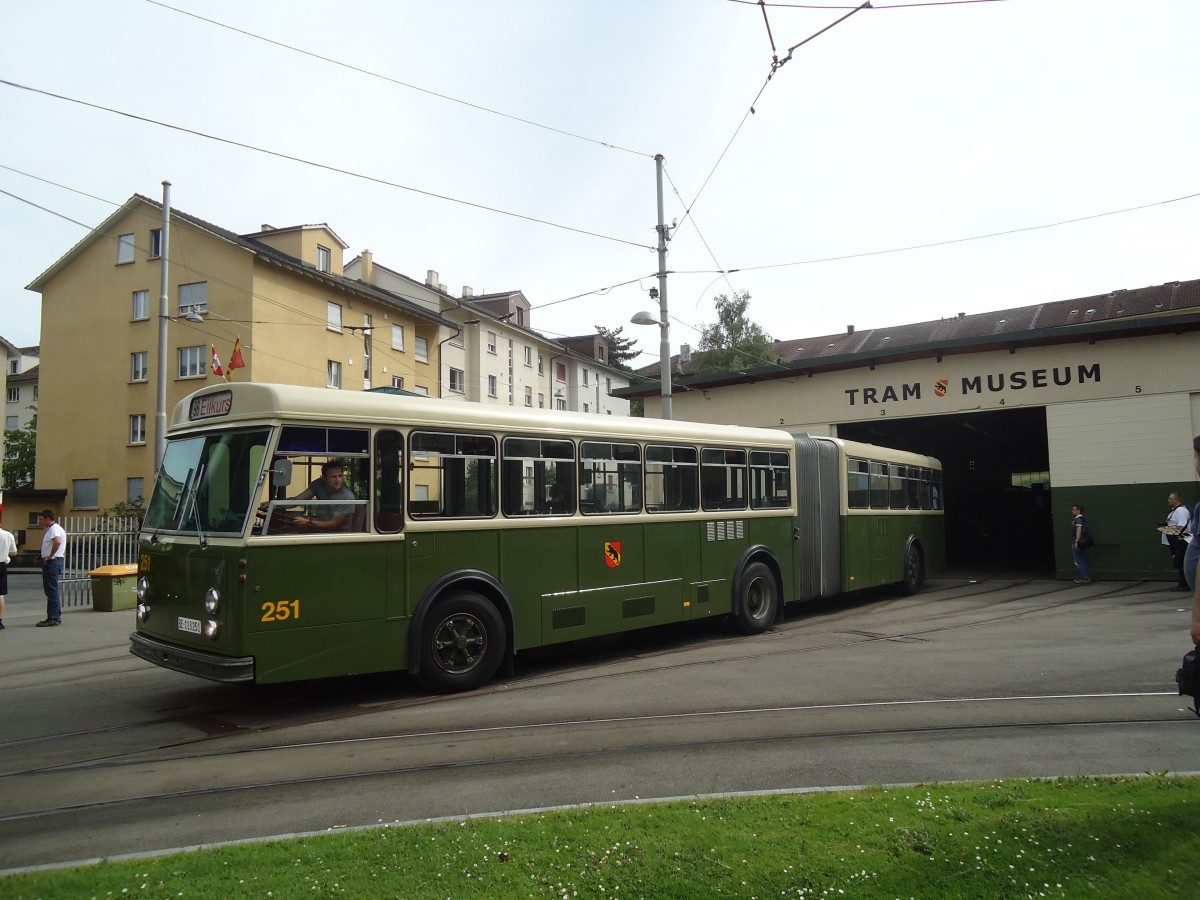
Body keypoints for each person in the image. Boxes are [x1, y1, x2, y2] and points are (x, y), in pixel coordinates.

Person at [290, 462, 355, 531]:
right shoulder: (319, 484)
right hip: (319, 531)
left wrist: (308, 522)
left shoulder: (347, 497)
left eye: (340, 476)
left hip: (339, 537)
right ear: (324, 478)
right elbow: (296, 500)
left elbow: (333, 524)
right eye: (333, 477)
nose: (337, 480)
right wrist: (279, 504)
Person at [37, 509, 66, 627]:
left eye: (41, 519)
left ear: (48, 519)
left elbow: (57, 542)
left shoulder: (54, 529)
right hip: (55, 561)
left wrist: (50, 556)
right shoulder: (54, 529)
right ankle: (54, 616)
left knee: (51, 590)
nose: (39, 521)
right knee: (52, 590)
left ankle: (53, 618)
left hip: (52, 562)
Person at [1162, 491, 1191, 591]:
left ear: (1176, 499)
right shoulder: (1175, 511)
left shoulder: (1181, 511)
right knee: (1178, 562)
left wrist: (1167, 530)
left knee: (1179, 562)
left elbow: (1181, 526)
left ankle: (1185, 585)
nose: (1168, 500)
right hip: (1175, 540)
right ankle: (1183, 584)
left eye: (1170, 498)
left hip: (1181, 540)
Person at [0, 521, 16, 630]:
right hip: (1, 565)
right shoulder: (8, 535)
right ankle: (0, 620)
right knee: (0, 594)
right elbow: (14, 552)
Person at [1071, 504, 1090, 584]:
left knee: (1078, 560)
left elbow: (1079, 531)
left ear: (1078, 510)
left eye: (1074, 509)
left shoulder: (1079, 519)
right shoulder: (1080, 519)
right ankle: (1085, 577)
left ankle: (1085, 578)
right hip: (1082, 541)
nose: (1072, 511)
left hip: (1079, 541)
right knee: (1080, 559)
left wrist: (1076, 542)